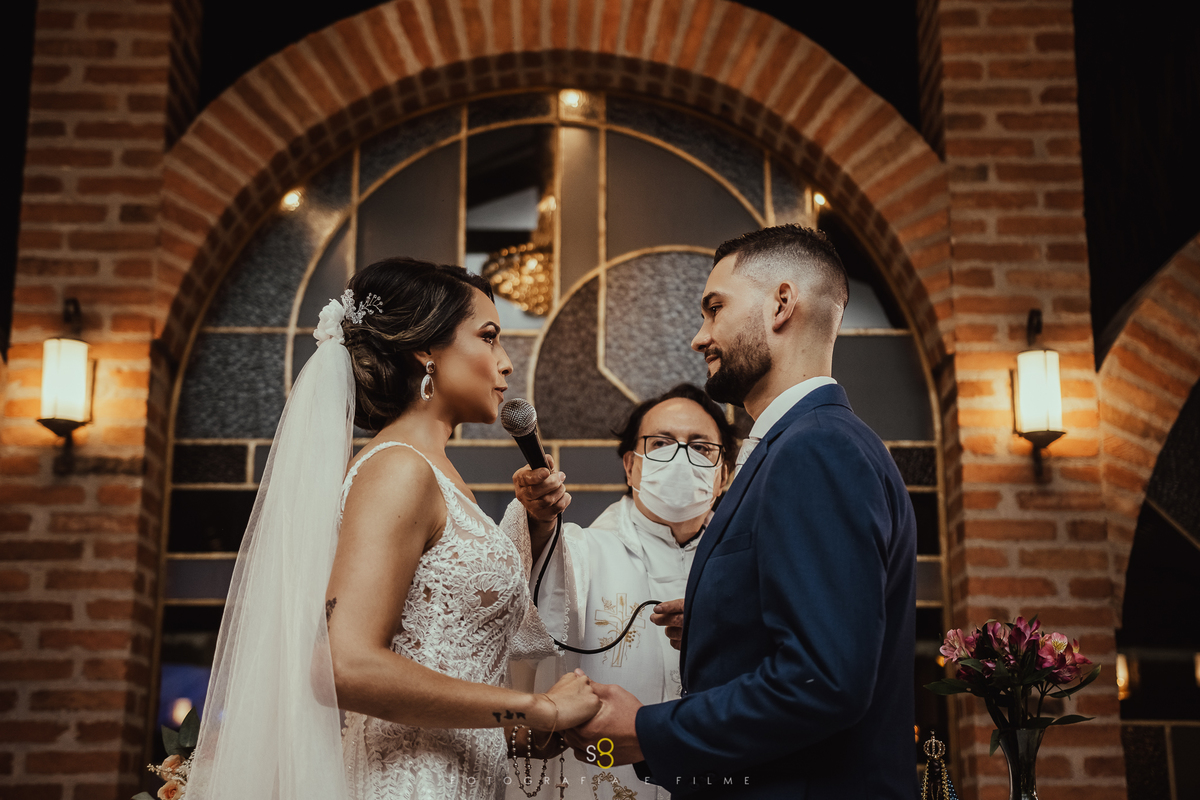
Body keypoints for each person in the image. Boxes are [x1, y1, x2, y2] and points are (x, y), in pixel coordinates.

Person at [186, 257, 600, 800]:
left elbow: (451, 653)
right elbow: (344, 664)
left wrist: (537, 528)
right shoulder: (399, 469)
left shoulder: (437, 476)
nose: (506, 365)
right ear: (425, 350)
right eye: (490, 337)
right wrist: (536, 706)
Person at [563, 225, 919, 798]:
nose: (700, 337)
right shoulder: (800, 445)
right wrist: (719, 621)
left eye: (714, 307)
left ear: (781, 304)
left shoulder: (815, 448)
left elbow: (824, 680)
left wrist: (646, 730)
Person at [509, 384, 737, 799]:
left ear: (724, 475)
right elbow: (537, 586)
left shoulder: (746, 569)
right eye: (662, 443)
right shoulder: (583, 550)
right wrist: (538, 521)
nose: (681, 458)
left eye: (701, 447)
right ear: (631, 468)